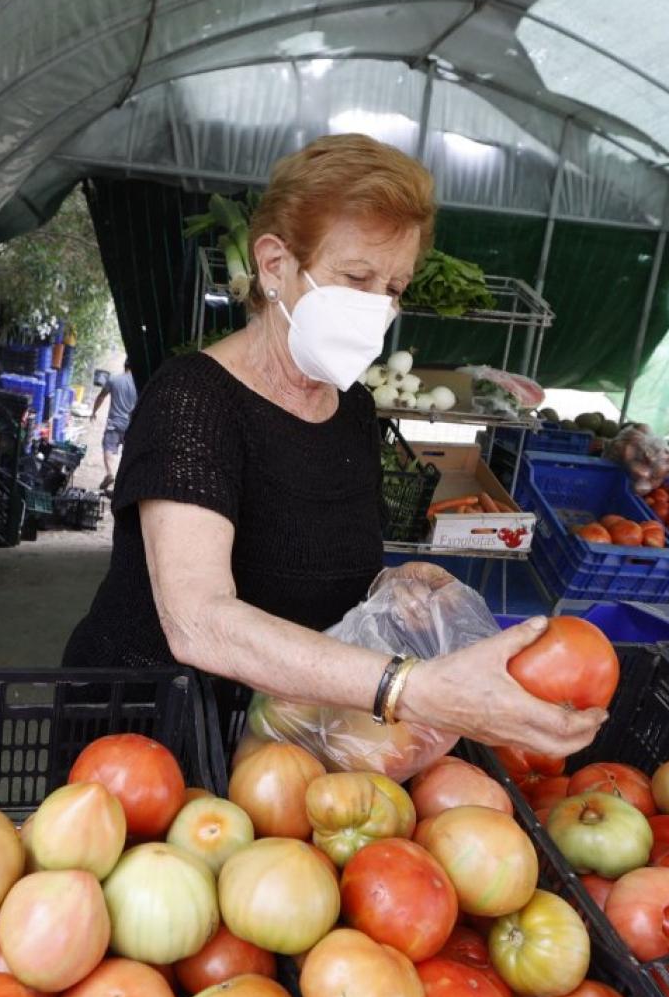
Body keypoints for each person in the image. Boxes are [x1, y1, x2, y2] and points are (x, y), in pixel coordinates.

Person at [62, 135, 601, 762]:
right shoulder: (192, 400)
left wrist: (393, 582)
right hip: (148, 733)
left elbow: (312, 572)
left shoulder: (352, 411)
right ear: (273, 265)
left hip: (286, 735)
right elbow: (198, 620)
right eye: (355, 278)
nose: (377, 307)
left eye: (394, 286)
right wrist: (406, 686)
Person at [90, 360, 137, 494]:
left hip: (114, 423)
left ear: (124, 366)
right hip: (131, 425)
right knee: (127, 454)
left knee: (108, 448)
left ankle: (110, 473)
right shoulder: (139, 383)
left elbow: (101, 397)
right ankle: (124, 482)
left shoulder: (114, 379)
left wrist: (94, 412)